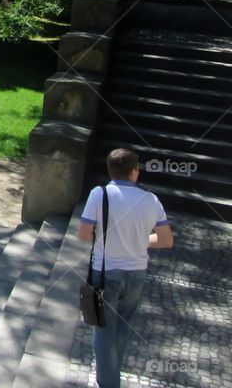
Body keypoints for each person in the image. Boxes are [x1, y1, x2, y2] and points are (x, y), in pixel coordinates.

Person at [77, 148, 174, 388]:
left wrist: (105, 238)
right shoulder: (151, 200)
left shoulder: (99, 195)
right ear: (135, 171)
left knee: (103, 331)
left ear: (110, 170)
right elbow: (166, 240)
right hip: (137, 273)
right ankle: (112, 375)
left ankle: (109, 384)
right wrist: (141, 240)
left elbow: (83, 234)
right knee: (121, 329)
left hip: (106, 272)